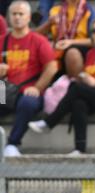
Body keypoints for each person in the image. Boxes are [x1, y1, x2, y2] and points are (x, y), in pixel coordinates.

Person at [28, 18, 95, 155]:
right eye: (94, 31)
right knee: (79, 103)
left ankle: (50, 122)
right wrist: (85, 78)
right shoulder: (91, 53)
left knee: (76, 88)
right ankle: (79, 149)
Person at [0, 1, 57, 157]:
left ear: (28, 17)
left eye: (21, 14)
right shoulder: (2, 40)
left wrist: (38, 87)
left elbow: (52, 67)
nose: (17, 17)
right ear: (9, 17)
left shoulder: (38, 40)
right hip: (6, 90)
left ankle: (12, 144)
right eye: (14, 14)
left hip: (28, 90)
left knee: (28, 102)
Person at [36, 0, 95, 78]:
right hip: (59, 48)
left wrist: (70, 42)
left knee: (72, 53)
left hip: (81, 48)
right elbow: (35, 36)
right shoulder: (55, 10)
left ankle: (75, 87)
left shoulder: (89, 10)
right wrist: (49, 23)